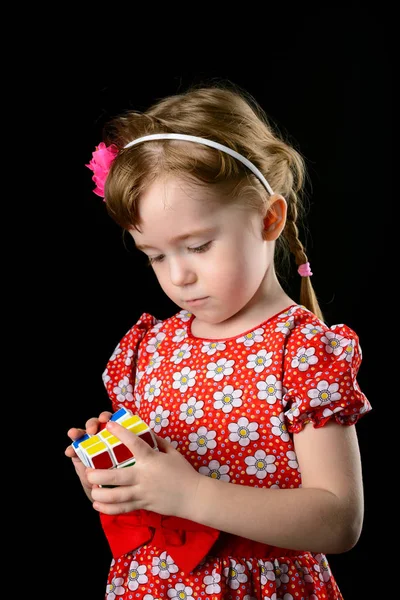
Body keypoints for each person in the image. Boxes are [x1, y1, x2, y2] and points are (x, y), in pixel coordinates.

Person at [65, 83, 371, 600]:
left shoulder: (301, 353)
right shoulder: (149, 349)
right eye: (155, 256)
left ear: (269, 218)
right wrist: (115, 479)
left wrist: (190, 493)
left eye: (199, 246)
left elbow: (339, 521)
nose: (178, 276)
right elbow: (149, 495)